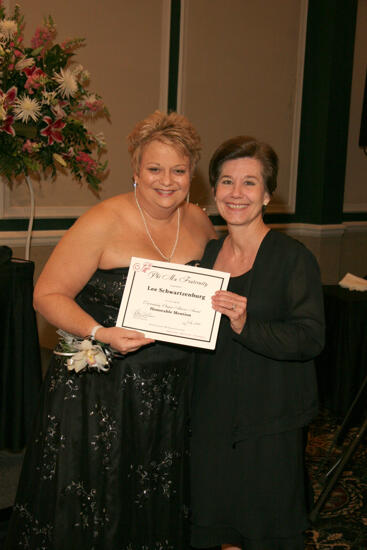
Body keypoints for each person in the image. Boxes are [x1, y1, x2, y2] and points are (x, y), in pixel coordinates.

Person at [5, 110, 216, 550]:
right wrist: (101, 332)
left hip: (172, 389)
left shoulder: (199, 221)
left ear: (191, 174)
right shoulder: (103, 220)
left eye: (178, 170)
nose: (166, 180)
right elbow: (46, 294)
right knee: (102, 500)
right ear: (136, 170)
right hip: (103, 390)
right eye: (154, 168)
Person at [190, 136, 324, 550]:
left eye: (250, 183)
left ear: (267, 194)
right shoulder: (207, 255)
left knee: (266, 529)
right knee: (221, 525)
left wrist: (247, 324)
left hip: (269, 420)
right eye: (226, 181)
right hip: (212, 416)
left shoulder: (292, 258)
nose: (236, 193)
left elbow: (310, 337)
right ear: (213, 192)